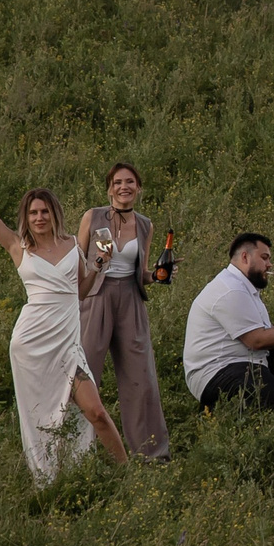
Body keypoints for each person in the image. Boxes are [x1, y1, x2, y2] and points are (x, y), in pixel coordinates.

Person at [0, 148, 130, 481]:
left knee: (95, 411)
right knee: (42, 419)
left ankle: (129, 475)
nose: (39, 217)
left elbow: (78, 291)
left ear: (54, 214)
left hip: (67, 344)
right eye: (33, 212)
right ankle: (53, 481)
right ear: (27, 216)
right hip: (31, 344)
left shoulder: (71, 245)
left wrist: (99, 264)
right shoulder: (16, 246)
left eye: (44, 212)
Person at [76, 162, 172, 462]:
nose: (124, 187)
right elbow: (76, 263)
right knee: (84, 371)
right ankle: (76, 451)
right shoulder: (92, 217)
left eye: (130, 181)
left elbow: (139, 272)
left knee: (140, 377)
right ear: (109, 188)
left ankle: (151, 454)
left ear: (138, 188)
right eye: (117, 182)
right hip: (95, 297)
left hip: (130, 300)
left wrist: (156, 276)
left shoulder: (145, 224)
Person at [183, 233, 274, 411]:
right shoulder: (230, 290)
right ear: (245, 257)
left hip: (242, 363)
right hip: (218, 371)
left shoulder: (244, 288)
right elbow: (256, 340)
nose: (269, 265)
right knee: (269, 396)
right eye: (264, 258)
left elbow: (261, 332)